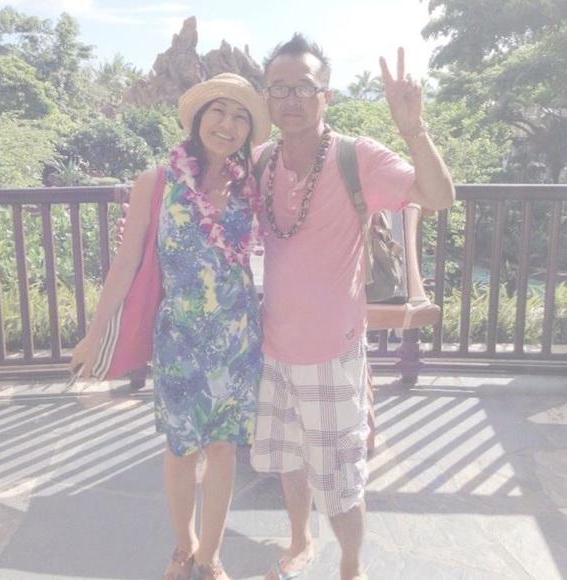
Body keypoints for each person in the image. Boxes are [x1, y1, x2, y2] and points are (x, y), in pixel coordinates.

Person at [249, 34, 455, 580]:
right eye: (279, 89)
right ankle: (299, 541)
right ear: (267, 99)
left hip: (332, 353)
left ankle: (351, 565)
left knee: (341, 481)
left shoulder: (355, 156)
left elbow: (438, 197)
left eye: (303, 87)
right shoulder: (260, 161)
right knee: (290, 462)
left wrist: (413, 130)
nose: (291, 99)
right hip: (274, 349)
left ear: (326, 95)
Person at [70, 73, 271, 580]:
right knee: (182, 448)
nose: (227, 124)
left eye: (240, 117)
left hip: (238, 338)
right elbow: (126, 262)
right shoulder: (158, 181)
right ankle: (184, 547)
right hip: (180, 339)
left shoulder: (251, 187)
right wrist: (94, 332)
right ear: (199, 117)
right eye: (218, 111)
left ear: (249, 132)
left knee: (223, 449)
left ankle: (210, 555)